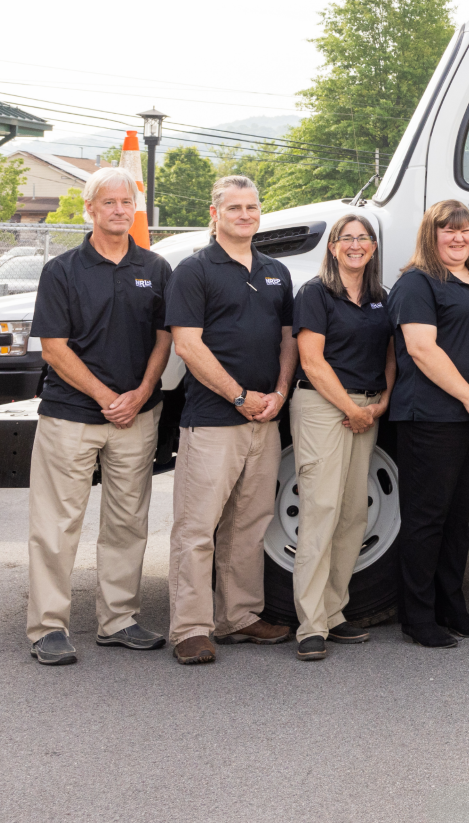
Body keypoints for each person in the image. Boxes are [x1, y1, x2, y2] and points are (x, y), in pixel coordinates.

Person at [25, 169, 171, 666]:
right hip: (72, 415)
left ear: (135, 208)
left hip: (137, 416)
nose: (117, 210)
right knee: (57, 524)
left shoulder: (154, 266)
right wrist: (109, 396)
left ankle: (118, 620)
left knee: (128, 523)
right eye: (107, 202)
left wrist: (143, 391)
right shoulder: (62, 270)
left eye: (125, 201)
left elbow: (164, 338)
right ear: (90, 208)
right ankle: (47, 627)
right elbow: (53, 347)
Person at [164, 174, 296, 664]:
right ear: (215, 213)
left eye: (253, 207)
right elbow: (187, 344)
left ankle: (238, 616)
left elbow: (288, 339)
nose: (246, 214)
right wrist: (239, 396)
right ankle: (191, 629)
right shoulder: (194, 271)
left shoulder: (276, 271)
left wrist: (280, 392)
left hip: (265, 419)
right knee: (197, 528)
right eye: (235, 207)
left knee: (250, 522)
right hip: (214, 419)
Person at [389, 199, 469, 649]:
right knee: (426, 520)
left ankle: (452, 608)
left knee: (458, 518)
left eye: (464, 231)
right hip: (431, 417)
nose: (458, 238)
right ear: (430, 235)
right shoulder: (416, 284)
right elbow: (422, 349)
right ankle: (417, 618)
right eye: (448, 230)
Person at [289, 213, 395, 661]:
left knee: (353, 514)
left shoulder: (380, 297)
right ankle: (309, 626)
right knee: (321, 511)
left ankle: (334, 612)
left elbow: (390, 353)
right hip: (323, 408)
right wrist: (351, 409)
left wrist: (381, 401)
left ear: (373, 247)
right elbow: (311, 361)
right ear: (332, 247)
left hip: (366, 409)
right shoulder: (315, 294)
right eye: (346, 238)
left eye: (363, 238)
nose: (356, 245)